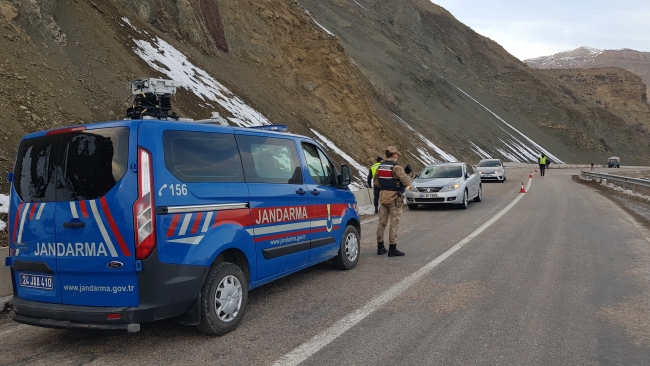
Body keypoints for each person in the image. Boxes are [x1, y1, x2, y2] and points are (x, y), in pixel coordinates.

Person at [374, 146, 413, 257]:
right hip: (394, 198)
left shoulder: (380, 166)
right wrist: (408, 175)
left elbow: (376, 182)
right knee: (394, 223)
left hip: (383, 196)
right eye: (397, 154)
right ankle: (392, 248)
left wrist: (385, 187)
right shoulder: (397, 168)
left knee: (382, 223)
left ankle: (380, 247)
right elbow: (406, 182)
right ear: (394, 154)